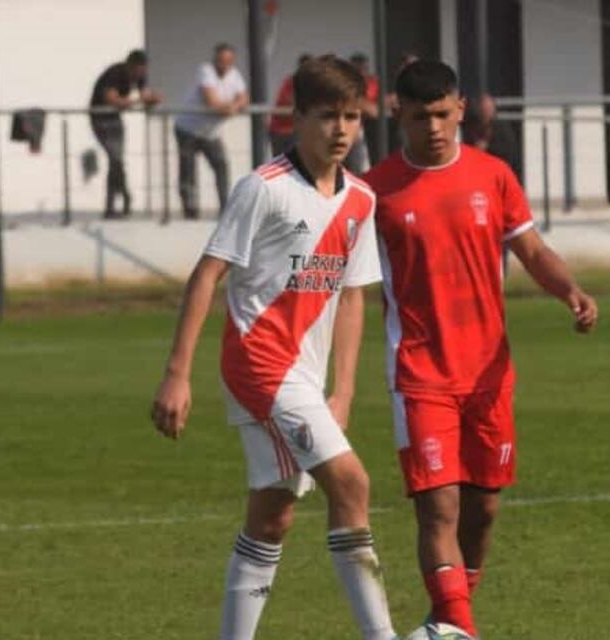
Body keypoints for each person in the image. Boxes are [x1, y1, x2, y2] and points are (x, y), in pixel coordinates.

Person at [151, 55, 397, 640]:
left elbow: (353, 297)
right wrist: (177, 374)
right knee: (354, 484)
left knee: (273, 514)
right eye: (327, 116)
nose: (340, 130)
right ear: (295, 118)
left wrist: (343, 390)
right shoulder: (263, 189)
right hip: (261, 364)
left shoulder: (360, 200)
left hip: (305, 378)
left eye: (352, 117)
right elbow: (207, 275)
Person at [364, 60, 598, 638]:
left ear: (461, 109)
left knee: (483, 511)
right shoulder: (374, 191)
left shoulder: (493, 176)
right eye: (421, 118)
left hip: (489, 374)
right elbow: (347, 284)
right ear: (399, 114)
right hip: (419, 373)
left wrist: (569, 290)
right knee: (438, 509)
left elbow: (533, 251)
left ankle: (447, 622)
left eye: (443, 114)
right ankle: (463, 629)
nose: (435, 128)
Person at [175, 43, 249, 219]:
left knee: (221, 165)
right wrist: (229, 108)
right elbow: (211, 101)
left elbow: (244, 98)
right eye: (221, 61)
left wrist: (233, 106)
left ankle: (226, 209)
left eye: (228, 61)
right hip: (188, 129)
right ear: (215, 60)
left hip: (210, 133)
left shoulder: (234, 74)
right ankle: (190, 211)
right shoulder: (205, 71)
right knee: (188, 169)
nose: (224, 65)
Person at [89, 49, 162, 219]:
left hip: (115, 119)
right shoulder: (115, 73)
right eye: (138, 70)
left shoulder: (140, 77)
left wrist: (151, 100)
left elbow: (144, 97)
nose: (141, 74)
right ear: (131, 66)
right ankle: (119, 200)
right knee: (115, 159)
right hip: (100, 119)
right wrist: (139, 100)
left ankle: (118, 202)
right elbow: (112, 100)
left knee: (118, 161)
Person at [268, 53, 312, 156]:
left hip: (296, 130)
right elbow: (290, 102)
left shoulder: (311, 84)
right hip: (281, 130)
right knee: (282, 164)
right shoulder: (291, 82)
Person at [344, 53, 378, 174]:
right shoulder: (346, 84)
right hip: (349, 128)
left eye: (364, 69)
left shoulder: (372, 82)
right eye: (357, 70)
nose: (361, 73)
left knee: (362, 167)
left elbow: (376, 110)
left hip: (367, 130)